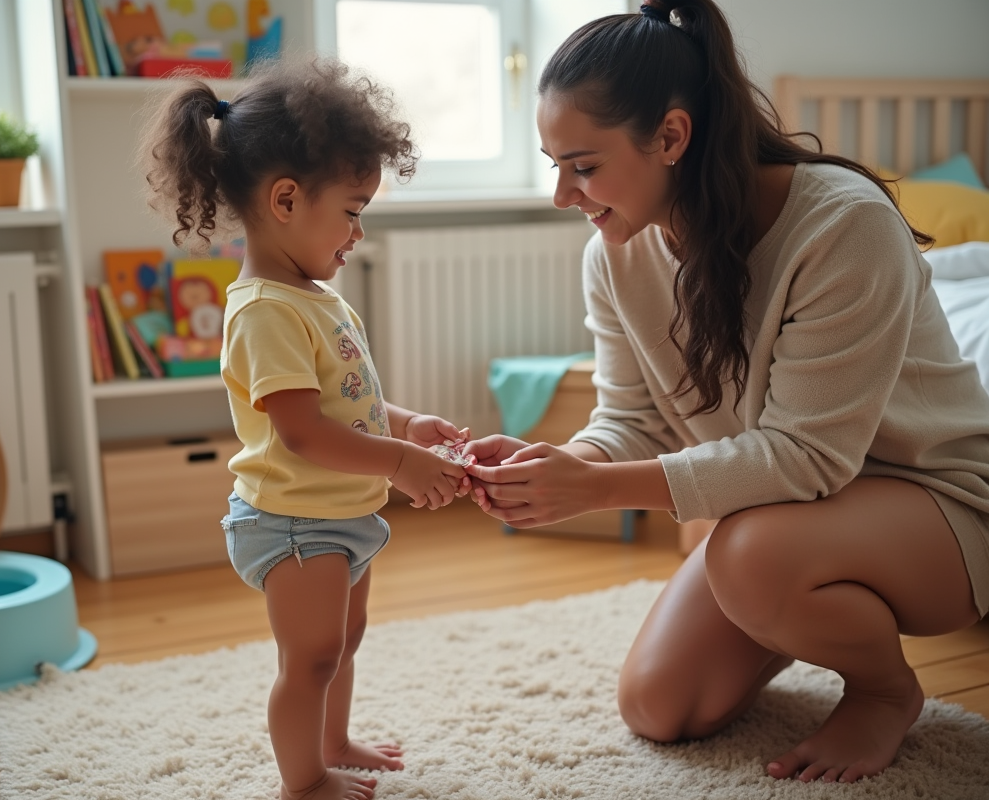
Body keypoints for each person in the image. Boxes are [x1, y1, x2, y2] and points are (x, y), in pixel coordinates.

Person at [462, 0, 989, 785]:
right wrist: (556, 464)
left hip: (936, 505)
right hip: (792, 519)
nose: (563, 196)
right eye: (554, 165)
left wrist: (594, 489)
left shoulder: (843, 226)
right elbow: (633, 418)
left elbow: (808, 456)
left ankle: (884, 689)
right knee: (660, 706)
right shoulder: (616, 254)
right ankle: (793, 598)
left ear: (671, 137)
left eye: (583, 165)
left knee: (747, 554)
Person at [142, 58, 471, 800]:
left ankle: (335, 740)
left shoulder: (315, 296)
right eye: (353, 210)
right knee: (311, 655)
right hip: (293, 521)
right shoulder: (265, 309)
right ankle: (303, 782)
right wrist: (397, 463)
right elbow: (301, 434)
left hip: (341, 513)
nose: (358, 231)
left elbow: (345, 403)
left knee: (343, 642)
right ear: (286, 199)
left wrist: (409, 427)